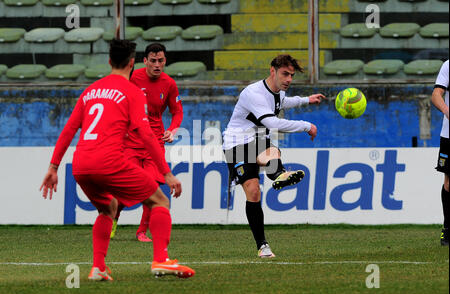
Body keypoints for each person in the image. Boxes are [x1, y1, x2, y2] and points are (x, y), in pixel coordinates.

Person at [39, 39, 195, 280]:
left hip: (81, 165)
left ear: (109, 61)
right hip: (109, 160)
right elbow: (145, 134)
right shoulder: (132, 91)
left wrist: (53, 167)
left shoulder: (90, 90)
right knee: (160, 201)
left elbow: (69, 129)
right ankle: (161, 260)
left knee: (107, 208)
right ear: (133, 63)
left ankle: (98, 268)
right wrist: (167, 173)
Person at [222, 54, 325, 258]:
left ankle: (278, 174)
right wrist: (306, 126)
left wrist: (307, 100)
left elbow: (284, 103)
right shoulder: (254, 93)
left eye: (291, 75)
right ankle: (263, 245)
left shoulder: (278, 92)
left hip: (258, 140)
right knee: (253, 192)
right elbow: (274, 123)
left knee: (270, 150)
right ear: (272, 71)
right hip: (236, 143)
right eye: (285, 74)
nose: (288, 79)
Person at [110, 43, 183, 242]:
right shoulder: (133, 78)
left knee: (152, 188)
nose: (157, 65)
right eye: (153, 61)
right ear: (145, 61)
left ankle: (142, 231)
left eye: (160, 60)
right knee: (125, 188)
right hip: (131, 140)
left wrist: (172, 130)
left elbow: (177, 112)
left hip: (155, 142)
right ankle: (113, 220)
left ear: (165, 61)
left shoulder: (169, 83)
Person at [431, 59, 449, 246]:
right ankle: (448, 229)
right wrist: (447, 110)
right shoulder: (448, 66)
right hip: (449, 135)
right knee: (449, 182)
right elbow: (436, 95)